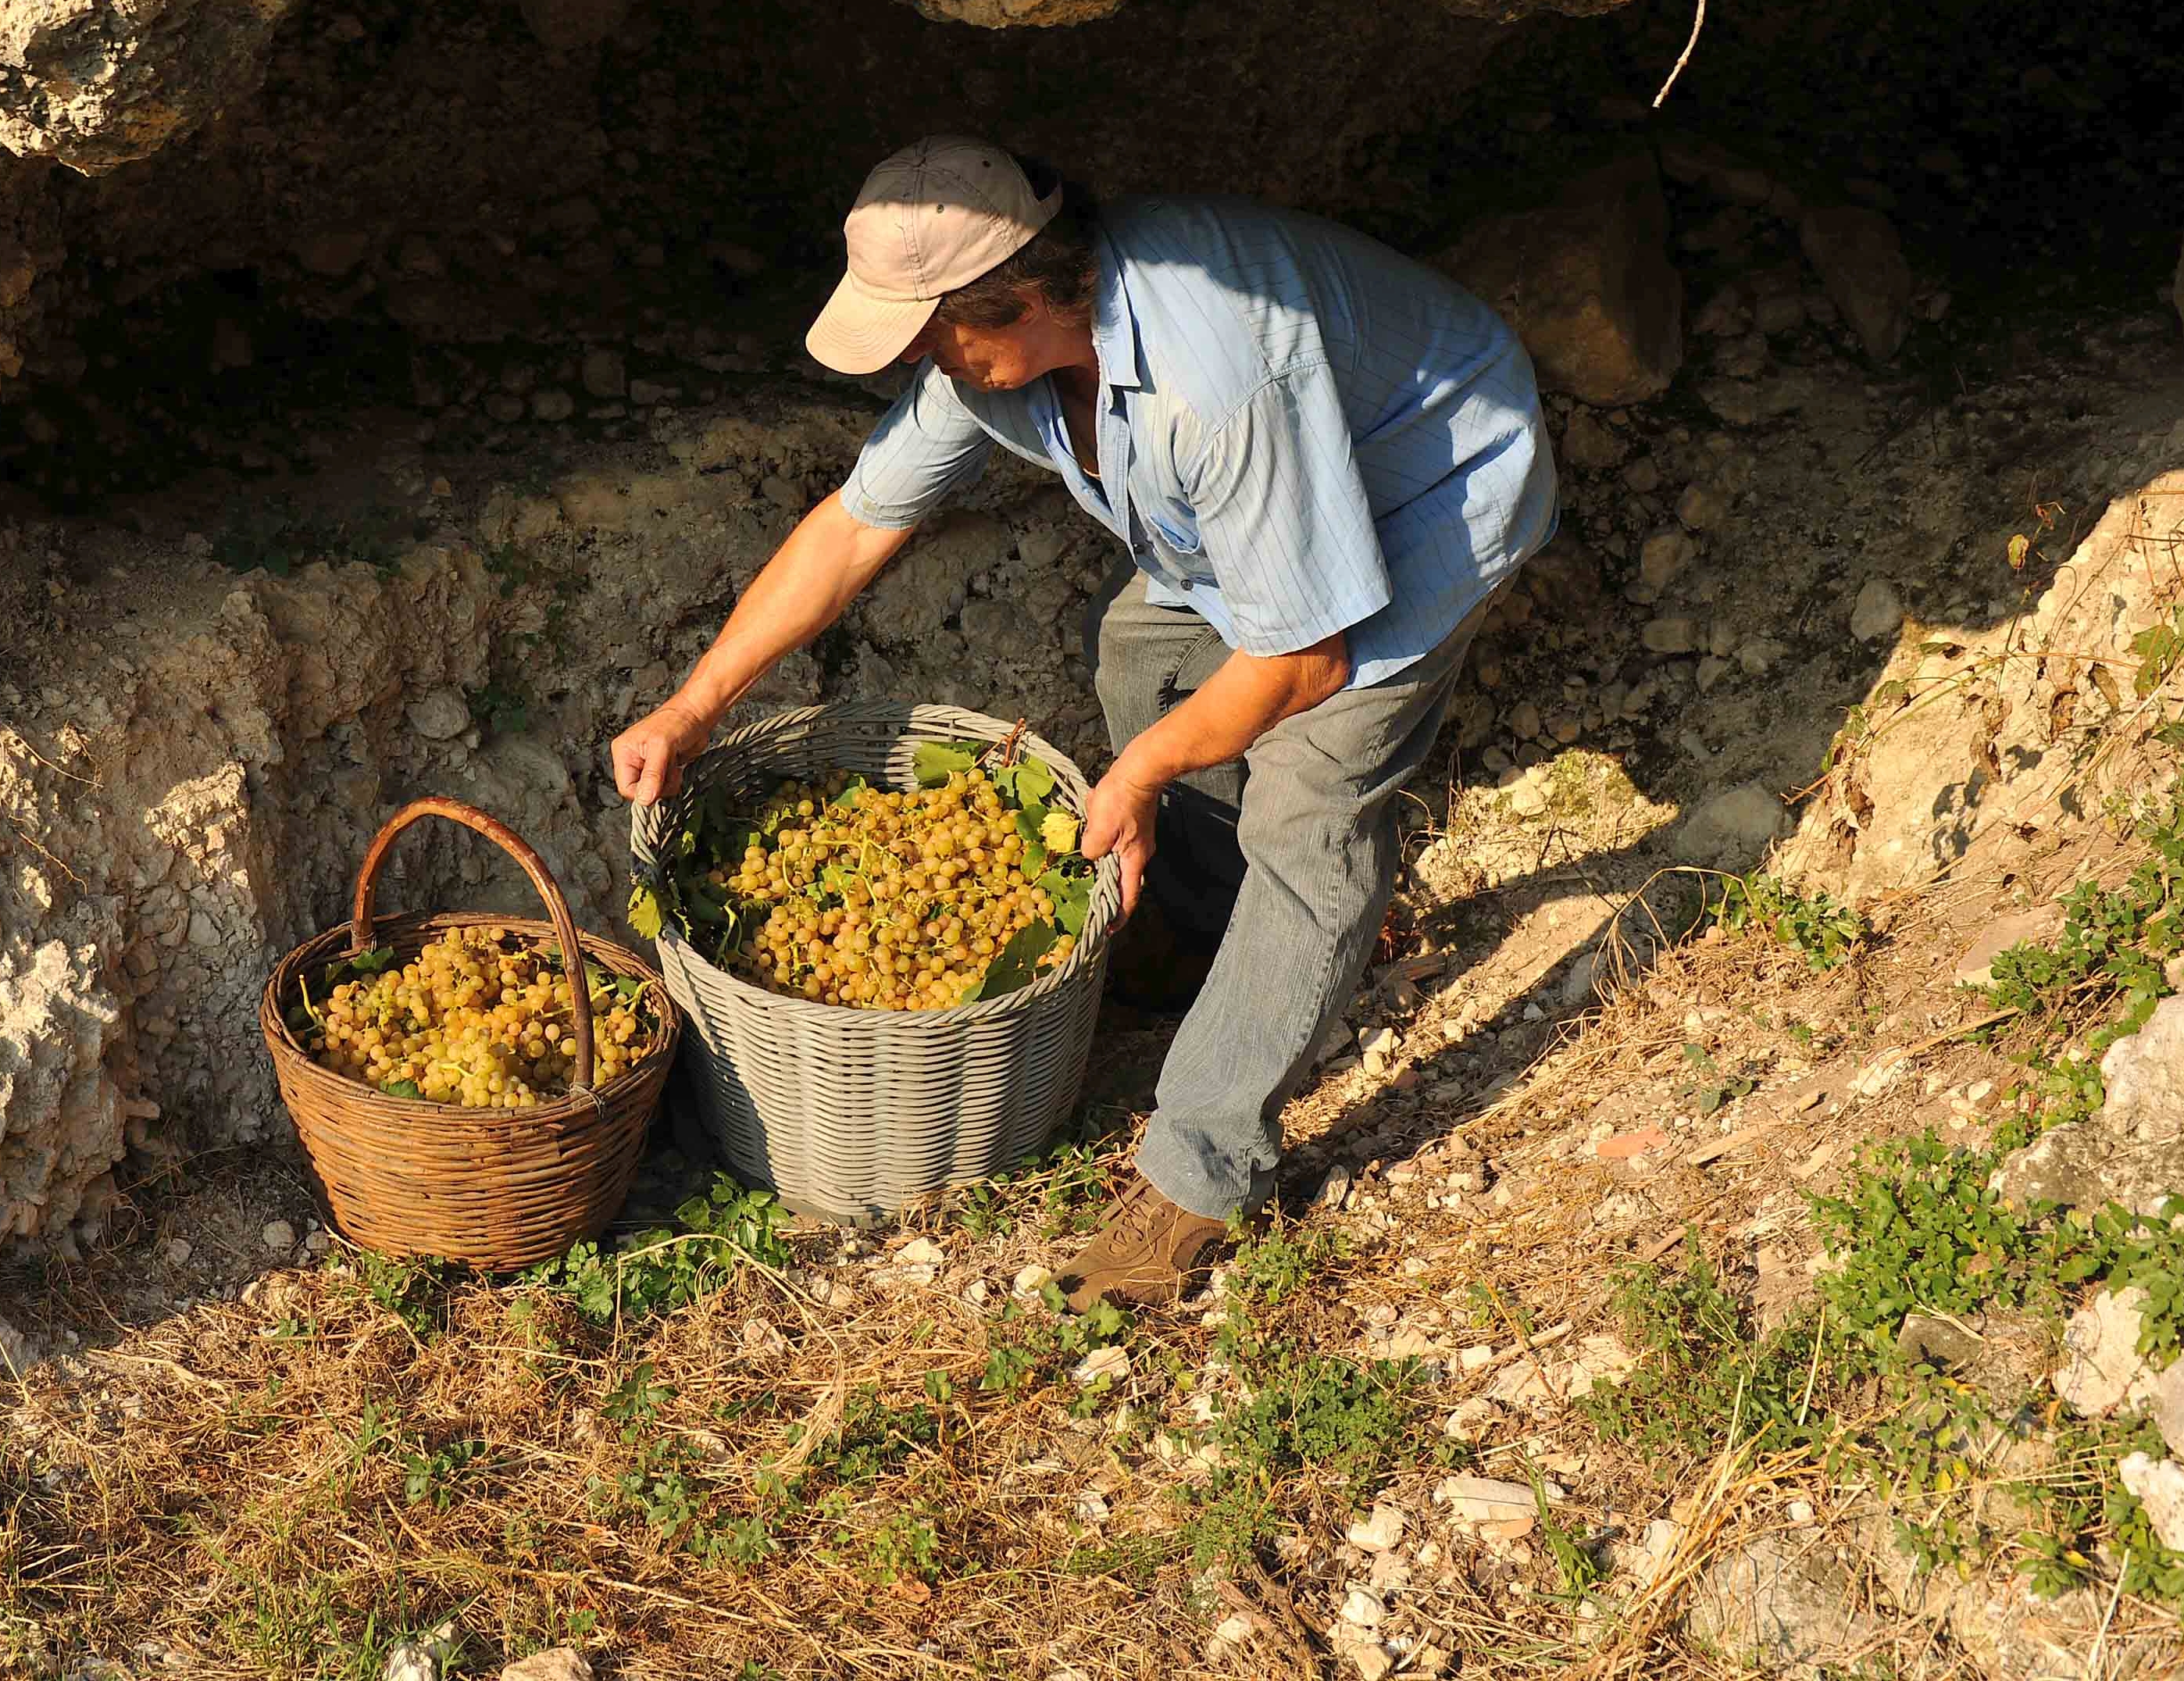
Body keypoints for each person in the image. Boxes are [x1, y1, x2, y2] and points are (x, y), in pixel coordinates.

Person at [611, 137, 1555, 1304]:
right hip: (1252, 506)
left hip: (1427, 484)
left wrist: (1149, 771)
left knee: (1311, 813)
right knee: (1143, 656)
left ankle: (1201, 1174)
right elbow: (856, 525)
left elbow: (1305, 660)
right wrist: (695, 706)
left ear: (1011, 300)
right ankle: (1212, 930)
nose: (911, 361)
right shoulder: (998, 366)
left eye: (923, 334)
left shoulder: (1214, 381)